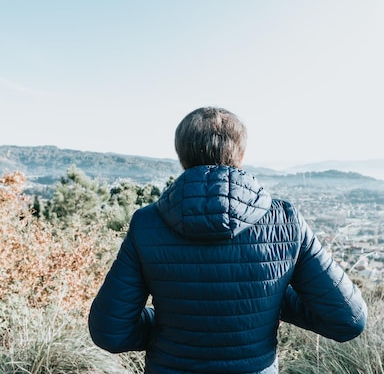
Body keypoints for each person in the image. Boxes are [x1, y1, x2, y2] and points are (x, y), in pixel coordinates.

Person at [89, 106, 367, 374]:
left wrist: (167, 322)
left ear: (181, 155)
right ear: (241, 154)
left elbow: (111, 332)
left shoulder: (147, 223)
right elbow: (347, 320)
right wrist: (269, 305)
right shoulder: (286, 220)